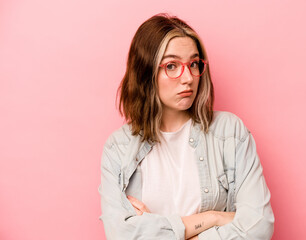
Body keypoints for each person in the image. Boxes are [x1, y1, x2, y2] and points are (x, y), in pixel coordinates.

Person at [98, 13, 275, 240]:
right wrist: (213, 218)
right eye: (171, 66)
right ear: (146, 72)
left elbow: (259, 228)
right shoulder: (118, 148)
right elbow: (120, 235)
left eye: (193, 64)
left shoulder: (230, 133)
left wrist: (158, 229)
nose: (188, 78)